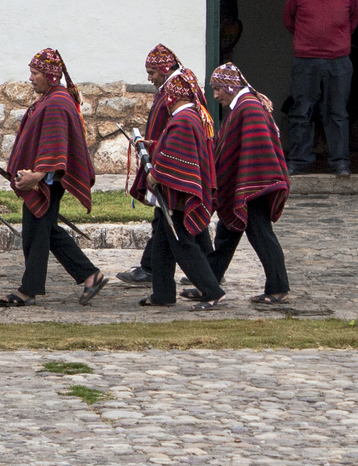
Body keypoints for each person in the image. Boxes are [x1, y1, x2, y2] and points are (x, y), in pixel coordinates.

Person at [0, 49, 106, 307]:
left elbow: (57, 148)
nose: (30, 78)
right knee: (48, 232)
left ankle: (28, 289)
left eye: (35, 73)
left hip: (48, 182)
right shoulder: (49, 98)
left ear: (50, 75)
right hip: (42, 178)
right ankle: (90, 274)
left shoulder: (57, 103)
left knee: (36, 235)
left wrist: (36, 176)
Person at [117, 44, 215, 286]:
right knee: (173, 219)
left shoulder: (179, 88)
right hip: (166, 159)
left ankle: (200, 277)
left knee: (172, 219)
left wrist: (161, 163)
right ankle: (202, 270)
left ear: (165, 68)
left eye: (152, 72)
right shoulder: (175, 84)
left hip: (176, 165)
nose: (149, 78)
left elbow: (179, 133)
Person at [198, 62, 292, 305]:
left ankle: (278, 287)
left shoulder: (248, 107)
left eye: (218, 88)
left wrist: (246, 181)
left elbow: (257, 148)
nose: (215, 94)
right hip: (246, 182)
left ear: (230, 86)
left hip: (255, 183)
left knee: (261, 234)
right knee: (227, 232)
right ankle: (208, 283)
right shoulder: (242, 105)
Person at [139, 69, 225, 311]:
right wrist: (153, 146)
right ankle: (162, 294)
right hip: (174, 195)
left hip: (178, 195)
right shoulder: (189, 117)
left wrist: (154, 174)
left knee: (183, 245)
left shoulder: (183, 120)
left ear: (173, 97)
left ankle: (212, 291)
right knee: (162, 245)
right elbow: (174, 148)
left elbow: (175, 157)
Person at [281, 0, 358, 176]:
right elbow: (289, 19)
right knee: (301, 110)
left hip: (338, 61)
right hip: (306, 60)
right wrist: (310, 39)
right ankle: (298, 160)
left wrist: (335, 40)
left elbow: (354, 19)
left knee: (337, 112)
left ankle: (339, 162)